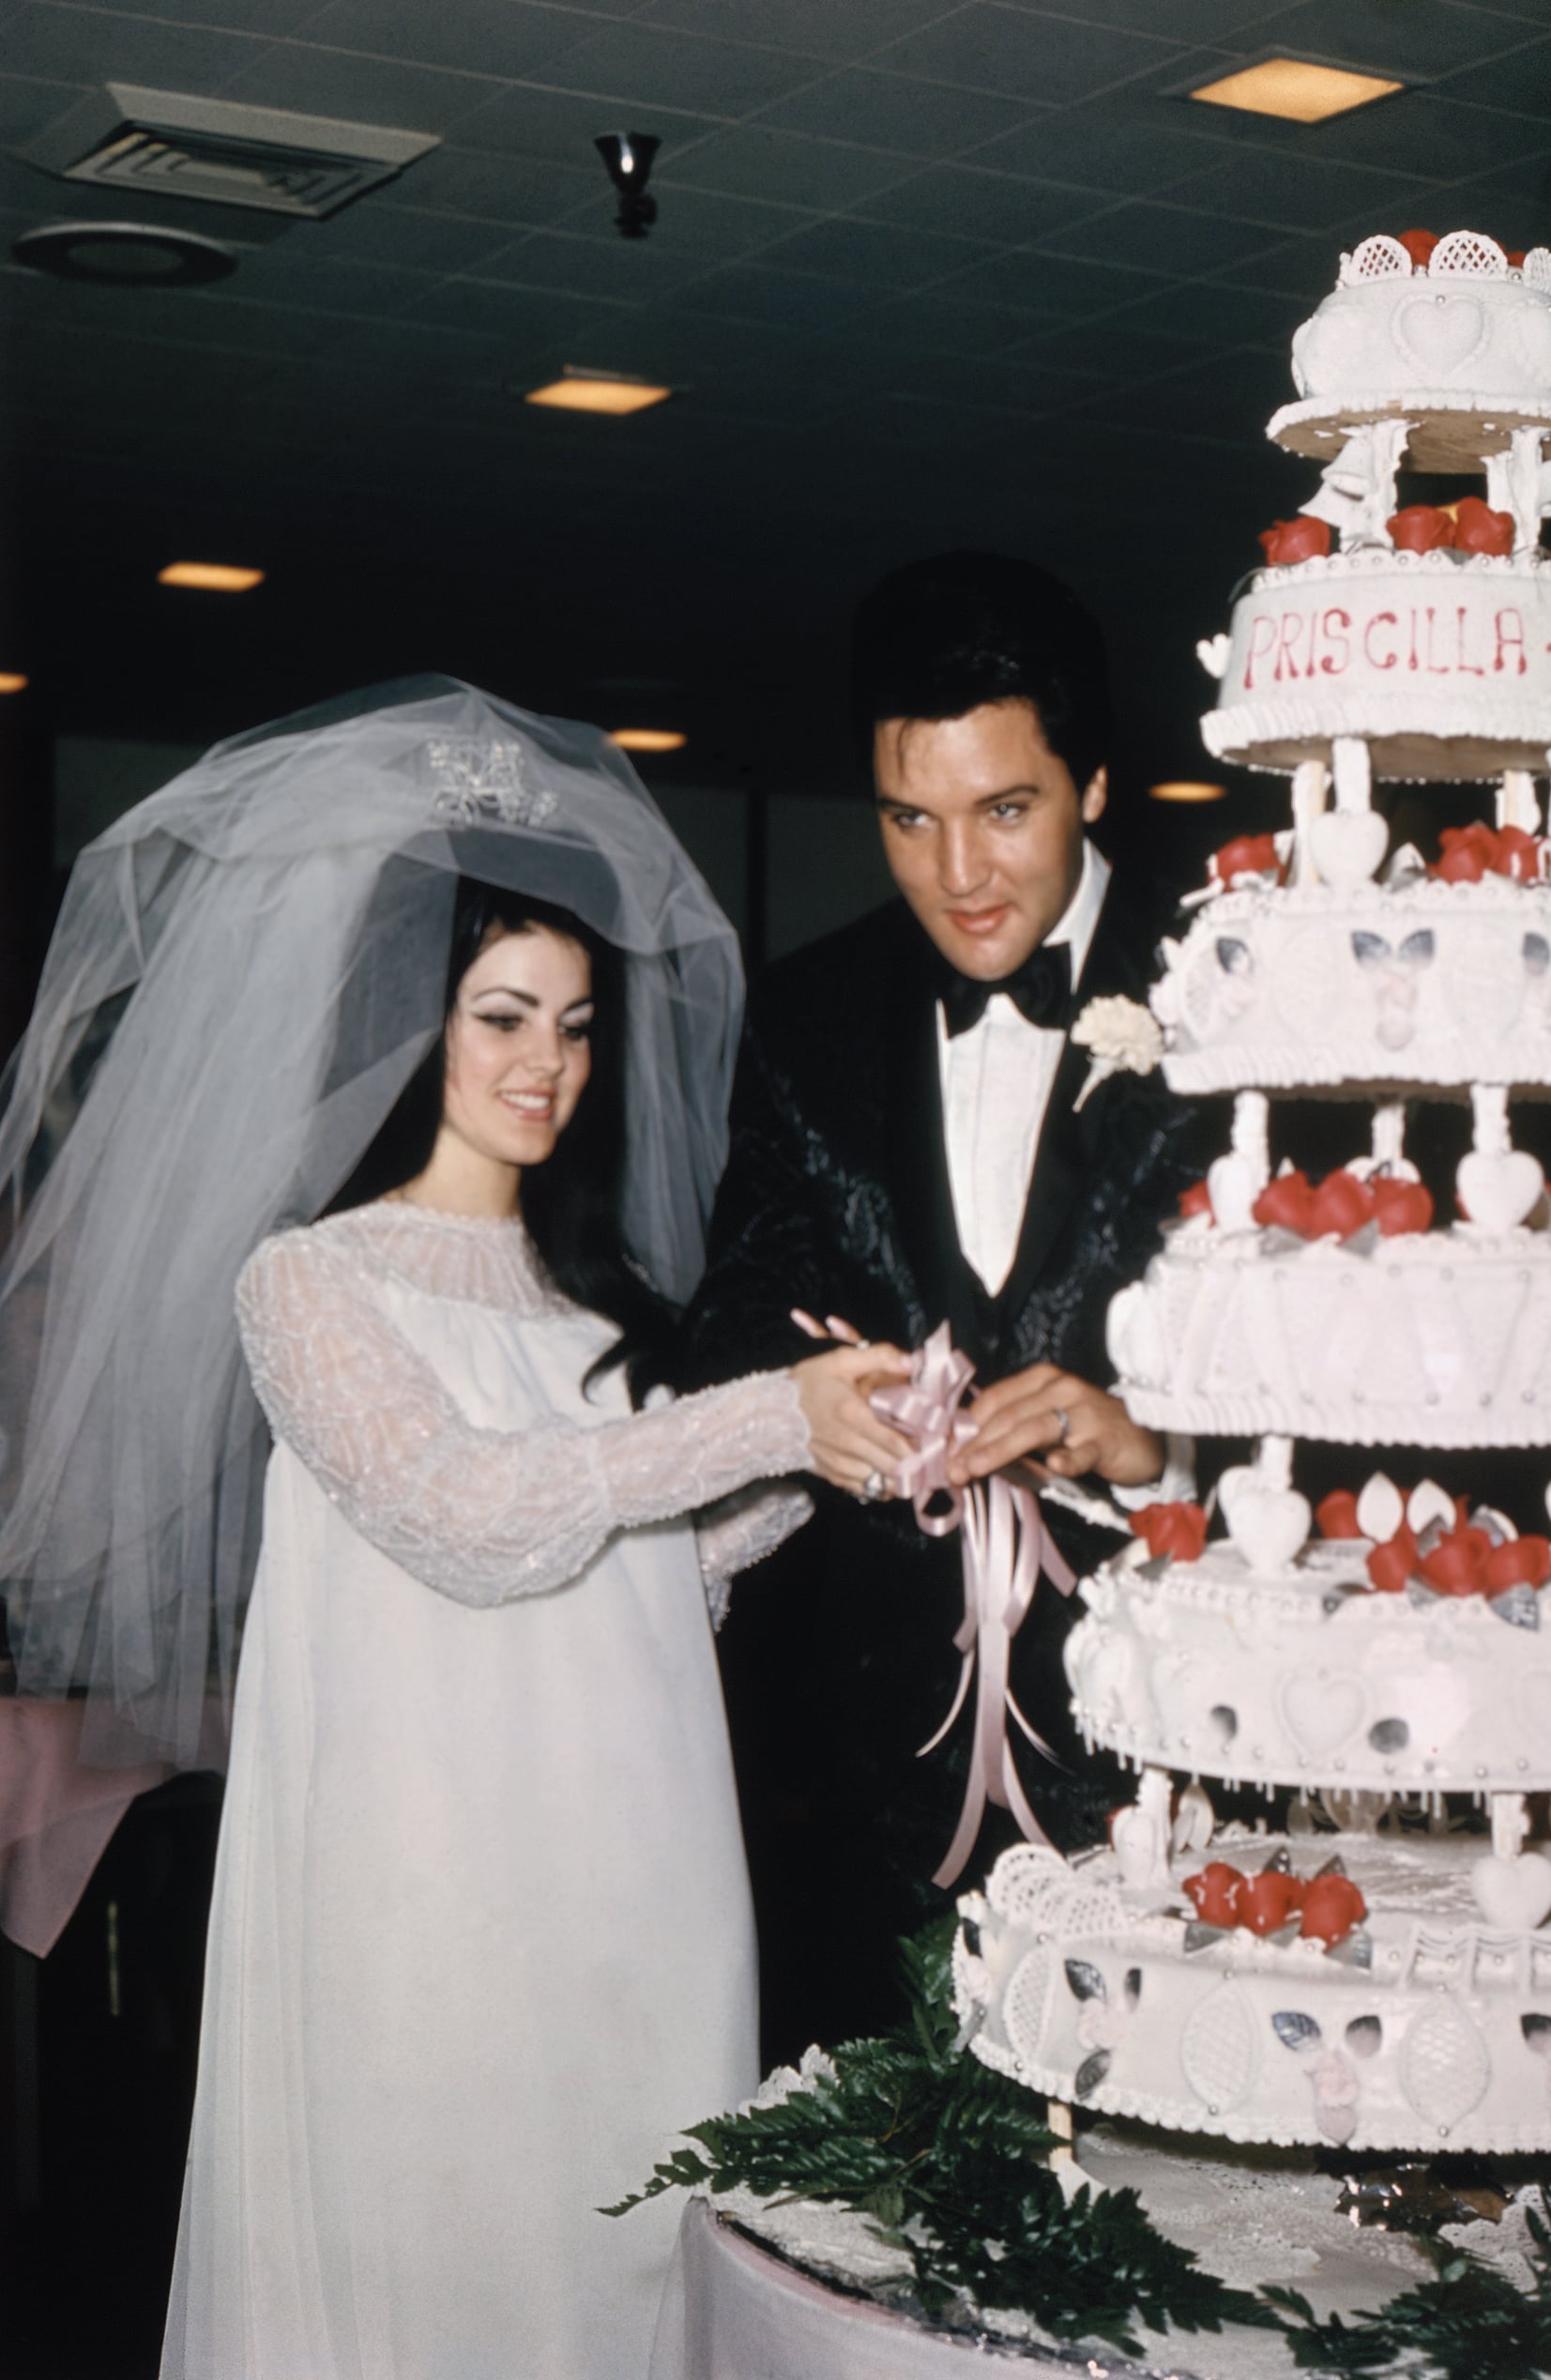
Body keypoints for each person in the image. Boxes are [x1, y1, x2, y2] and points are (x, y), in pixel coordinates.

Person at [0, 678, 905, 2375]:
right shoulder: (309, 1283)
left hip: (637, 1857)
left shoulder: (605, 1302)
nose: (545, 1065)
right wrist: (766, 1418)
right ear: (415, 1022)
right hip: (430, 1874)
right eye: (502, 1017)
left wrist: (827, 1454)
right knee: (450, 2253)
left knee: (625, 2258)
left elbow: (650, 1573)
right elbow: (476, 1518)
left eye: (572, 1024)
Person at [678, 552, 1207, 2045]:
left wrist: (1153, 1442)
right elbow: (738, 1310)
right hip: (876, 1773)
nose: (956, 875)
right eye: (910, 820)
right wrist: (805, 1404)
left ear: (1096, 784)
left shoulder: (1243, 994)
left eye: (1005, 811)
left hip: (1182, 1754)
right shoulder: (807, 1012)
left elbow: (1361, 1365)